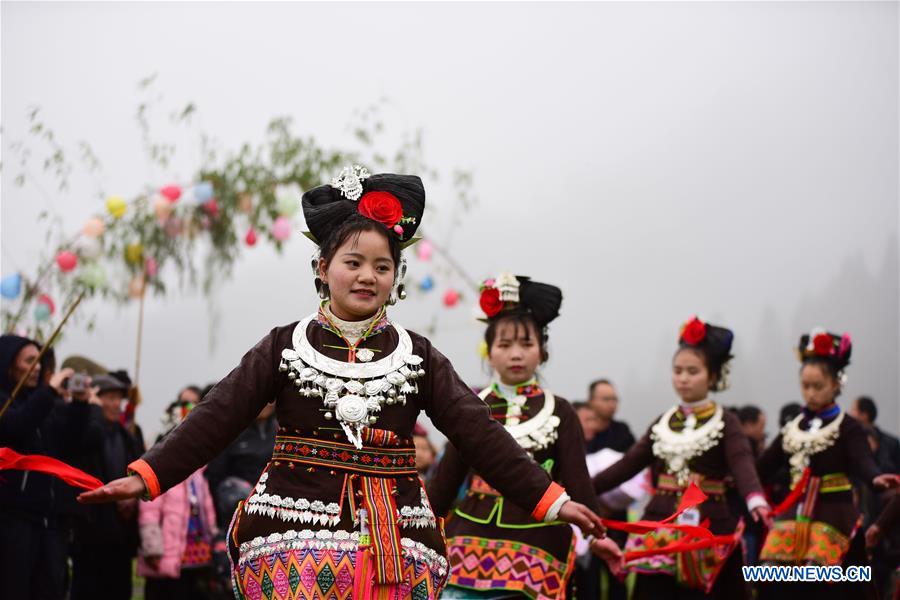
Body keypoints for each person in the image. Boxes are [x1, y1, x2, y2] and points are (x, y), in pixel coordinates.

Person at [78, 166, 604, 599]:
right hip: (291, 539)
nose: (366, 276)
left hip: (395, 544)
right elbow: (218, 416)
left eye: (381, 266)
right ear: (323, 266)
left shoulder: (417, 355)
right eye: (353, 262)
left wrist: (554, 500)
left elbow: (479, 434)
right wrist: (146, 476)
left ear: (395, 278)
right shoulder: (284, 346)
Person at [427, 273, 620, 600]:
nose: (516, 354)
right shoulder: (472, 408)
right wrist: (417, 529)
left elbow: (577, 481)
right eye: (505, 345)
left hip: (536, 543)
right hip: (468, 539)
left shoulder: (560, 411)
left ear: (542, 352)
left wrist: (597, 534)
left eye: (526, 344)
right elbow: (446, 480)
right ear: (489, 352)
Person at [593, 316, 772, 599]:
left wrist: (755, 498)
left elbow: (742, 462)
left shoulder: (727, 422)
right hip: (660, 526)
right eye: (678, 371)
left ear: (712, 376)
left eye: (693, 371)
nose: (684, 378)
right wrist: (578, 490)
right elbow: (628, 465)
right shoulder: (663, 421)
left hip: (710, 525)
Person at [756, 329, 898, 600]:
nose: (810, 393)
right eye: (805, 386)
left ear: (836, 385)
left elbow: (862, 462)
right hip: (793, 517)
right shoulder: (793, 428)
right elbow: (763, 466)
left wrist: (876, 479)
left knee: (825, 583)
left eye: (817, 386)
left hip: (834, 515)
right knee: (769, 574)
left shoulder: (847, 426)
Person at [0, 335, 96, 600]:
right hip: (13, 519)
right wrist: (49, 392)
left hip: (50, 521)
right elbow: (16, 427)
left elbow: (69, 445)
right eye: (30, 361)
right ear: (9, 364)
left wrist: (79, 405)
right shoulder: (9, 402)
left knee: (50, 589)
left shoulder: (44, 404)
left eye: (40, 361)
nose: (39, 368)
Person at [69, 373, 145, 600]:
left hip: (121, 533)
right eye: (108, 398)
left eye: (118, 399)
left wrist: (132, 496)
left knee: (120, 588)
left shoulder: (128, 436)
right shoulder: (88, 432)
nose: (114, 404)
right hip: (92, 530)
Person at [138, 398, 219, 600]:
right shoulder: (160, 468)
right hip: (167, 550)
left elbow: (206, 506)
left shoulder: (199, 470)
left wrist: (214, 537)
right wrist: (152, 546)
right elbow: (149, 511)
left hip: (196, 550)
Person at [851, 395, 900, 475]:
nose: (850, 414)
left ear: (864, 415)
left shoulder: (892, 443)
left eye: (853, 410)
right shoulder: (849, 441)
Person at [585, 379, 635, 454]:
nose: (612, 404)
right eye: (606, 399)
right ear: (591, 401)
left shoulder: (622, 432)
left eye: (614, 399)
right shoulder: (579, 431)